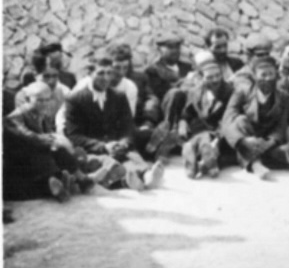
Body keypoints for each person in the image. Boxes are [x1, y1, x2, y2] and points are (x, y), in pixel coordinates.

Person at [62, 56, 164, 191]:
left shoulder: (119, 96)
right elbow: (74, 136)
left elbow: (128, 126)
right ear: (89, 74)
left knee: (132, 157)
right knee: (110, 165)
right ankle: (128, 181)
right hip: (93, 150)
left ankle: (146, 176)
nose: (105, 78)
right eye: (100, 73)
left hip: (117, 146)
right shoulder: (75, 99)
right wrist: (103, 146)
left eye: (109, 73)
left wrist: (123, 142)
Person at [4, 82, 91, 202]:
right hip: (18, 164)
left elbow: (49, 134)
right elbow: (26, 136)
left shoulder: (42, 115)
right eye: (40, 100)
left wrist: (57, 141)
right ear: (28, 99)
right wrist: (47, 139)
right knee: (45, 150)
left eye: (47, 100)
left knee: (59, 149)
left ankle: (80, 179)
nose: (44, 104)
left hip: (35, 159)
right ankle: (57, 181)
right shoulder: (15, 117)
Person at [220, 56, 289, 179]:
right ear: (254, 76)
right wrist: (243, 141)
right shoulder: (242, 92)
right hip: (247, 135)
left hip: (267, 139)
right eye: (263, 75)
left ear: (276, 75)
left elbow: (281, 125)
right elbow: (228, 119)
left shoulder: (284, 97)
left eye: (271, 74)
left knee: (288, 152)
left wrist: (270, 142)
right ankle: (256, 163)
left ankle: (247, 156)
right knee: (240, 120)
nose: (267, 79)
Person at [176, 55, 235, 178]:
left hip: (221, 133)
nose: (215, 80)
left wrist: (218, 137)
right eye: (210, 77)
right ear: (201, 78)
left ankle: (198, 161)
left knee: (207, 141)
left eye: (218, 75)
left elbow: (231, 117)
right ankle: (199, 162)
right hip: (201, 130)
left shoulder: (230, 92)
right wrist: (182, 125)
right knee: (199, 138)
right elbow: (186, 114)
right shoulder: (195, 92)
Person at [145, 35, 193, 102]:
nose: (175, 51)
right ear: (160, 50)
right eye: (170, 47)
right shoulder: (153, 70)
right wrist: (180, 83)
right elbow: (160, 93)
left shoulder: (187, 67)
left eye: (177, 47)